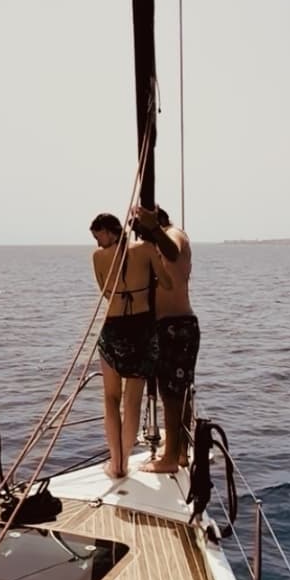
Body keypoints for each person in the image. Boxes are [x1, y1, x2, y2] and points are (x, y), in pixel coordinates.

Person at [90, 212, 172, 479]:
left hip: (113, 326)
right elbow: (167, 283)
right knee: (131, 401)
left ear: (111, 231)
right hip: (141, 328)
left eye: (98, 235)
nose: (97, 242)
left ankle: (117, 465)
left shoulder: (98, 257)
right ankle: (123, 459)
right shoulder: (147, 249)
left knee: (111, 399)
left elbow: (105, 290)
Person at [131, 205, 199, 473]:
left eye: (139, 227)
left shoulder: (174, 235)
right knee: (174, 392)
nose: (138, 233)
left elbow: (173, 251)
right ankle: (178, 450)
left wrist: (154, 229)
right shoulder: (158, 241)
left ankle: (171, 458)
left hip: (176, 326)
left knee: (172, 395)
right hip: (168, 326)